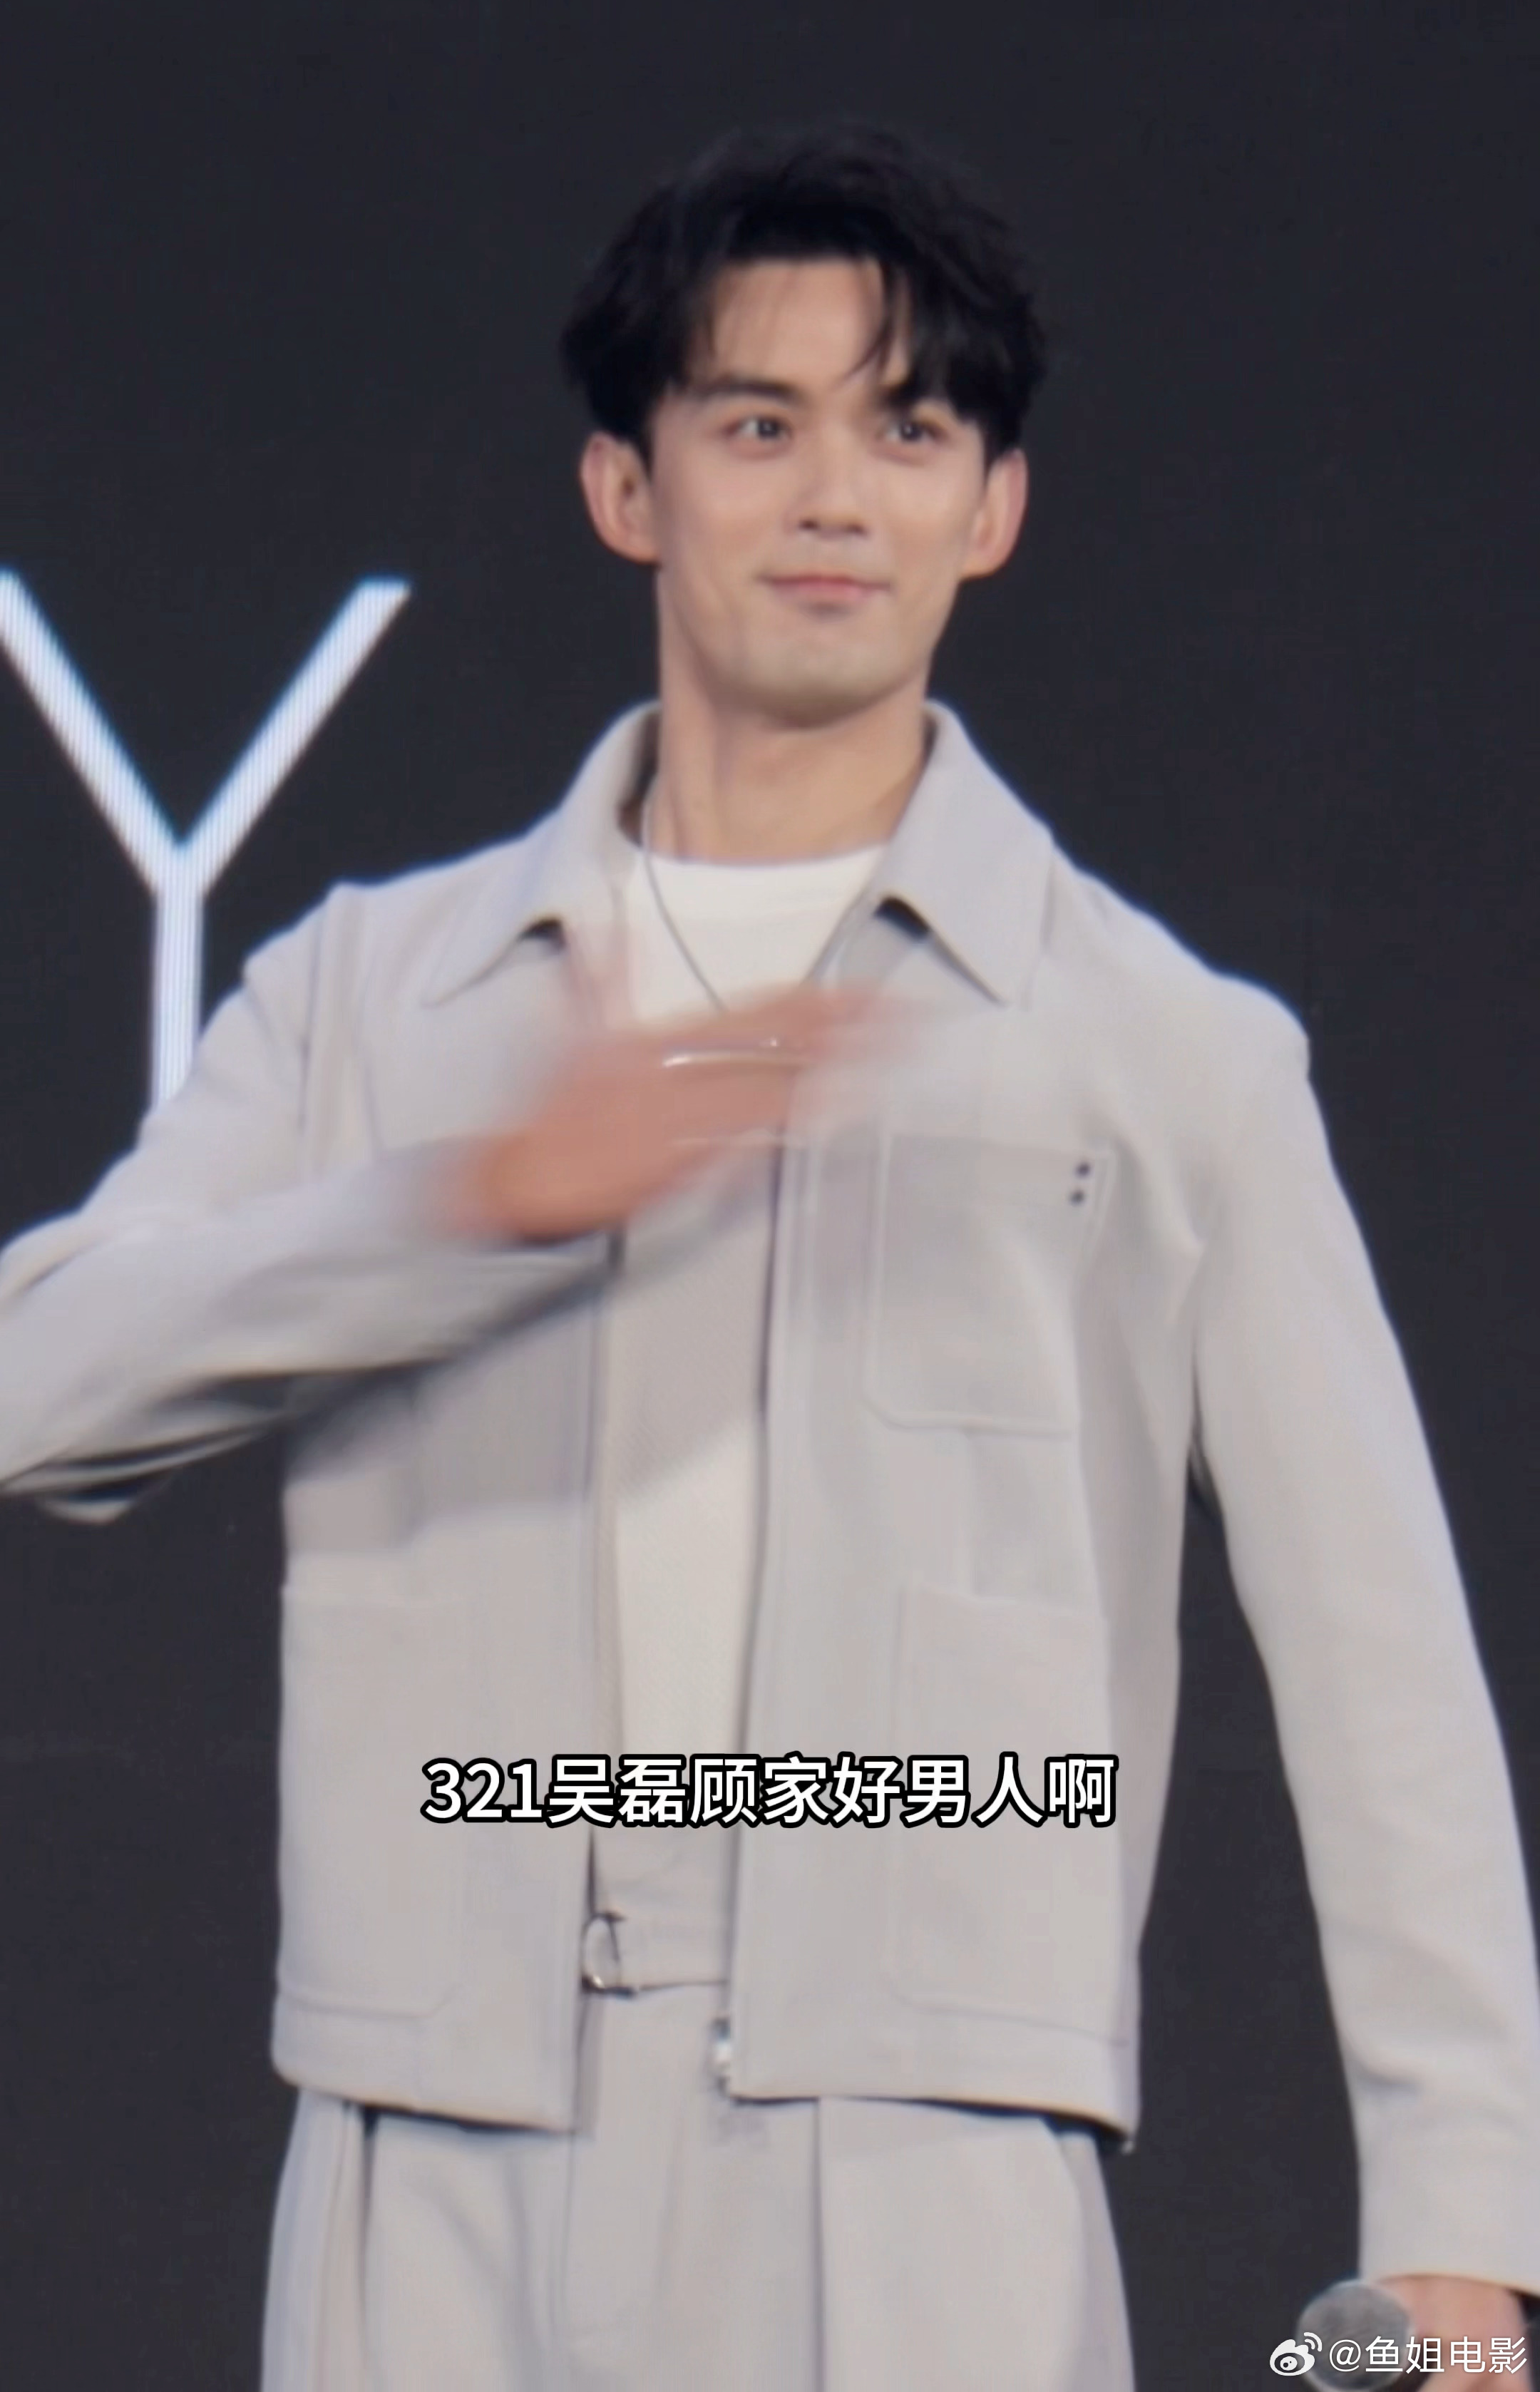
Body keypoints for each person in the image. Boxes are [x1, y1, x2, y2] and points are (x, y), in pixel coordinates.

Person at [0, 124, 1535, 2390]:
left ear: (993, 508)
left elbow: (1383, 1668)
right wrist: (474, 1201)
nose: (838, 499)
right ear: (627, 486)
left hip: (921, 2157)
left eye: (909, 432)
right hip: (433, 2133)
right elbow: (33, 1390)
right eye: (759, 426)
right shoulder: (365, 997)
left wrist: (1463, 2230)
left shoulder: (1166, 1050)